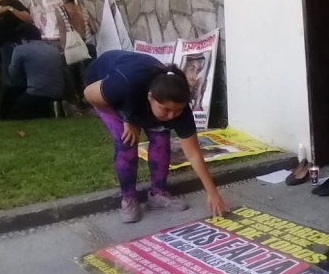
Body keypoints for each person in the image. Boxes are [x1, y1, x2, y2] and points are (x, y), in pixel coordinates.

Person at [83, 50, 228, 223]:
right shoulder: (123, 85)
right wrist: (125, 118)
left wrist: (212, 192)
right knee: (126, 140)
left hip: (138, 90)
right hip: (102, 84)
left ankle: (157, 194)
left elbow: (194, 154)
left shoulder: (180, 111)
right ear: (150, 97)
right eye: (165, 109)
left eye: (177, 111)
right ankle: (128, 198)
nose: (171, 116)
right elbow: (89, 94)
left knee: (161, 138)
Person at [0, 27, 66, 120]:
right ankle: (51, 107)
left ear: (23, 38)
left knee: (13, 111)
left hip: (37, 92)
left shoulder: (20, 49)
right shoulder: (53, 49)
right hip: (58, 91)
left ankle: (45, 111)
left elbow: (13, 74)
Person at [53, 0, 97, 105]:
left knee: (74, 76)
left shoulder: (60, 10)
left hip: (72, 47)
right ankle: (94, 98)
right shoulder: (83, 9)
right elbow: (94, 29)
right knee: (92, 73)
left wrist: (63, 48)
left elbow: (62, 30)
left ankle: (79, 99)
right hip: (88, 45)